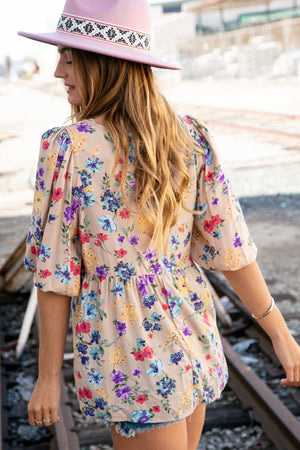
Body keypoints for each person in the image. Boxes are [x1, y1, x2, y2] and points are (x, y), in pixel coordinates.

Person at [19, 1, 300, 449]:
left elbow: (55, 275)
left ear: (104, 65)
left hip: (131, 353)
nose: (57, 72)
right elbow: (232, 248)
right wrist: (281, 336)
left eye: (68, 58)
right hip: (193, 334)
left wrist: (49, 377)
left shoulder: (67, 149)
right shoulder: (189, 136)